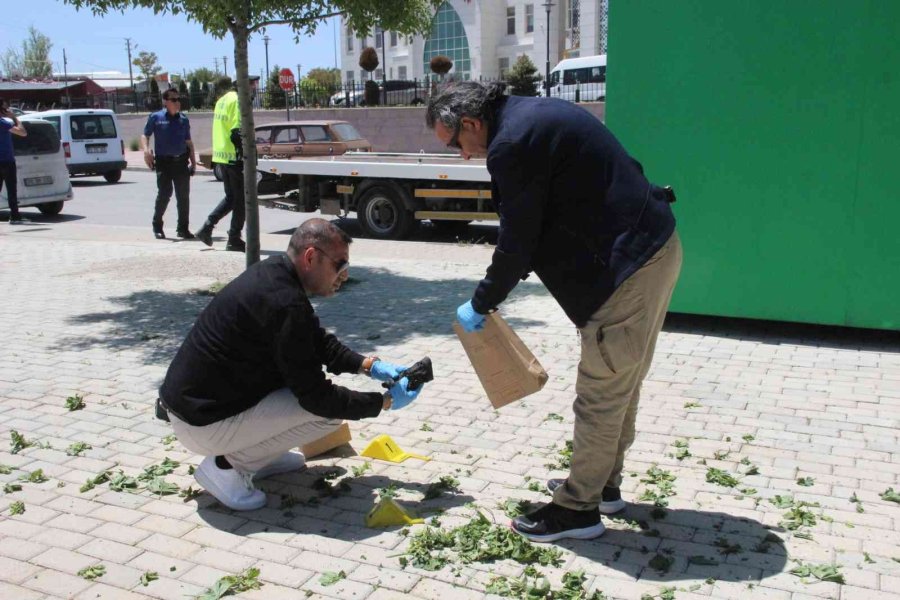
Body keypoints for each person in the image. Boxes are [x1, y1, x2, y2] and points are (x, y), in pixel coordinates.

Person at [426, 82, 682, 543]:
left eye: (455, 144)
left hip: (628, 270)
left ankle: (577, 511)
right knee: (621, 381)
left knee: (601, 392)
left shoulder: (510, 144)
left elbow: (516, 240)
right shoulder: (530, 114)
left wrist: (483, 301)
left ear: (470, 123)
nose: (462, 155)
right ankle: (602, 484)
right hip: (654, 246)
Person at [158, 218, 424, 510]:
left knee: (323, 407)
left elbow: (316, 342)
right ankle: (227, 466)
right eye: (340, 265)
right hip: (202, 424)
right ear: (311, 257)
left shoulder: (274, 275)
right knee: (327, 415)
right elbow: (316, 397)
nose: (344, 276)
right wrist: (382, 402)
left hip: (196, 410)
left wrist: (370, 365)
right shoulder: (285, 303)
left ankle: (259, 456)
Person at [142, 88, 197, 240]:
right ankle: (157, 225)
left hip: (180, 162)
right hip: (163, 162)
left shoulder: (183, 119)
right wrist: (146, 151)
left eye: (178, 99)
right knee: (164, 194)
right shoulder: (156, 117)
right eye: (173, 99)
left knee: (183, 197)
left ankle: (183, 229)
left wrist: (193, 161)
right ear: (165, 101)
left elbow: (188, 142)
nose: (177, 102)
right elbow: (145, 135)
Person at [196, 84, 245, 252]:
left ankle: (207, 227)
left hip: (221, 157)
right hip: (233, 157)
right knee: (240, 201)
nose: (252, 88)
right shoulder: (238, 100)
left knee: (231, 197)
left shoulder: (221, 101)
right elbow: (236, 131)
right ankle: (234, 238)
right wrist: (243, 153)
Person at [0, 100, 28, 225]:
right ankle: (15, 216)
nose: (7, 110)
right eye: (6, 108)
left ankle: (15, 216)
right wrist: (14, 117)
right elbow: (22, 133)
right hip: (6, 161)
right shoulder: (3, 123)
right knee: (12, 190)